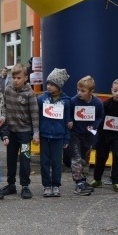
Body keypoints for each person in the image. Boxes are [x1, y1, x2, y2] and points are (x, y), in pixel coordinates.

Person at [1, 63, 39, 199]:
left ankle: (25, 186)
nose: (15, 80)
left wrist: (36, 133)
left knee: (25, 159)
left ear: (25, 78)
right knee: (10, 159)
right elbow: (4, 107)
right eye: (13, 77)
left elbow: (34, 114)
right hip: (11, 131)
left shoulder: (30, 93)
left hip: (25, 132)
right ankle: (11, 185)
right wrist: (3, 117)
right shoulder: (7, 90)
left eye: (18, 78)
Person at [91, 78, 118, 192]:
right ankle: (97, 179)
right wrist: (98, 131)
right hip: (104, 134)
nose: (117, 93)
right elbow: (101, 118)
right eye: (115, 91)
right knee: (101, 157)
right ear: (111, 90)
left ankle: (116, 182)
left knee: (117, 157)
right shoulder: (106, 104)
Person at [37, 68, 71, 198]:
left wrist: (66, 138)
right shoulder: (41, 99)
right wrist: (37, 134)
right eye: (48, 83)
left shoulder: (66, 101)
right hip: (44, 135)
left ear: (59, 85)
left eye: (52, 84)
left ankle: (56, 185)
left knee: (57, 161)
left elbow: (67, 120)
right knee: (44, 161)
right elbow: (37, 117)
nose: (49, 86)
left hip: (58, 136)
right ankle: (46, 185)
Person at [68, 75, 104, 196]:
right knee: (76, 158)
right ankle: (78, 182)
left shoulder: (98, 103)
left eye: (83, 91)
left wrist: (94, 125)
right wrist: (70, 121)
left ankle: (83, 180)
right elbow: (69, 114)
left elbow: (100, 116)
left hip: (88, 135)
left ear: (91, 91)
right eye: (78, 90)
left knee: (85, 159)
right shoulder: (73, 101)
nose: (79, 93)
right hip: (75, 134)